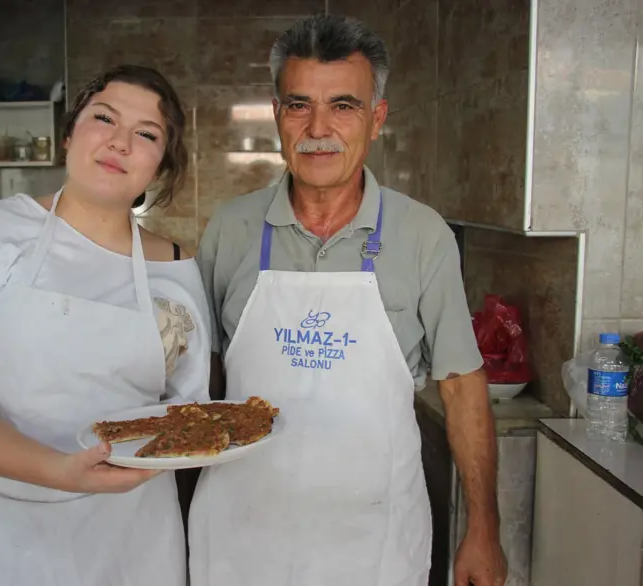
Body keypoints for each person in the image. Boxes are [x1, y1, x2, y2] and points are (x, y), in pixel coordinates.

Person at [189, 14, 507, 586]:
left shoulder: (422, 234)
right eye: (298, 105)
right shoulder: (230, 229)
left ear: (376, 118)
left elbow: (462, 387)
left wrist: (484, 528)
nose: (319, 128)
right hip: (241, 535)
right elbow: (204, 379)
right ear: (277, 116)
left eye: (344, 105)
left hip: (374, 541)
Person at [0, 64, 210, 586]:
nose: (120, 142)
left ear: (159, 168)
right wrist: (61, 470)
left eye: (146, 134)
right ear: (70, 133)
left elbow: (185, 418)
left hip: (127, 541)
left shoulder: (177, 268)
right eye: (104, 118)